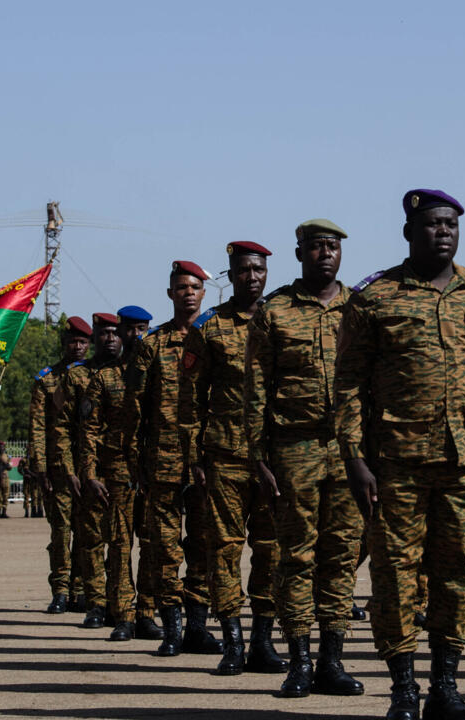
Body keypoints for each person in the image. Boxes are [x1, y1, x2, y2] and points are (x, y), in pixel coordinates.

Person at [335, 189, 465, 720]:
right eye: (433, 224)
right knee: (395, 573)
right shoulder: (375, 298)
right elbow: (348, 384)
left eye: (451, 225)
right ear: (409, 232)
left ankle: (445, 685)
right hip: (395, 462)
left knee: (459, 571)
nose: (443, 233)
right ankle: (402, 687)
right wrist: (354, 457)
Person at [244, 219, 365, 695]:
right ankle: (297, 660)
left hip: (349, 451)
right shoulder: (274, 312)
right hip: (293, 448)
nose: (325, 254)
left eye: (332, 246)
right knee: (295, 556)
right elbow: (256, 387)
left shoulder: (360, 308)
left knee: (342, 554)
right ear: (299, 254)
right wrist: (257, 454)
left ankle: (331, 661)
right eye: (315, 247)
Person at [183, 240, 285, 676]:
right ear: (231, 274)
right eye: (244, 270)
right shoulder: (209, 328)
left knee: (272, 550)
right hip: (224, 456)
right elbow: (189, 400)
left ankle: (263, 639)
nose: (252, 277)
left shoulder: (283, 320)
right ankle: (233, 641)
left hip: (276, 458)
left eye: (259, 270)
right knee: (222, 549)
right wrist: (195, 458)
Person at [124, 260, 222, 657]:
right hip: (161, 462)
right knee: (164, 548)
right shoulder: (152, 345)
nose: (188, 293)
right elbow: (133, 409)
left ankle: (197, 627)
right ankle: (172, 629)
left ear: (204, 293)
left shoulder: (217, 340)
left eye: (195, 287)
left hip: (206, 461)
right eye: (181, 287)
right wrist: (135, 463)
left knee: (202, 544)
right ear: (170, 294)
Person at [94, 305, 162, 641]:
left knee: (152, 544)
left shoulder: (159, 374)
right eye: (131, 329)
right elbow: (88, 430)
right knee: (120, 544)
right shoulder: (105, 377)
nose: (136, 336)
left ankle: (147, 612)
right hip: (117, 471)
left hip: (154, 471)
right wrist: (90, 473)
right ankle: (123, 613)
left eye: (142, 329)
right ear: (120, 332)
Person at [57, 312, 121, 629]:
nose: (110, 338)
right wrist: (71, 471)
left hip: (124, 471)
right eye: (104, 333)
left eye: (114, 332)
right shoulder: (76, 377)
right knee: (91, 541)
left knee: (121, 542)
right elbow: (63, 430)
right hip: (89, 471)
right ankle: (95, 604)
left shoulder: (131, 373)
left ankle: (119, 602)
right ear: (94, 337)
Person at [30, 317, 93, 613]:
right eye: (73, 342)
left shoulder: (95, 375)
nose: (77, 347)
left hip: (88, 467)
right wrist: (40, 468)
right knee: (61, 530)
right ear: (64, 344)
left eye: (83, 342)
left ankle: (80, 589)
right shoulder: (47, 379)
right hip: (57, 468)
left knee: (86, 530)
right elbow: (38, 427)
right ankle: (60, 588)